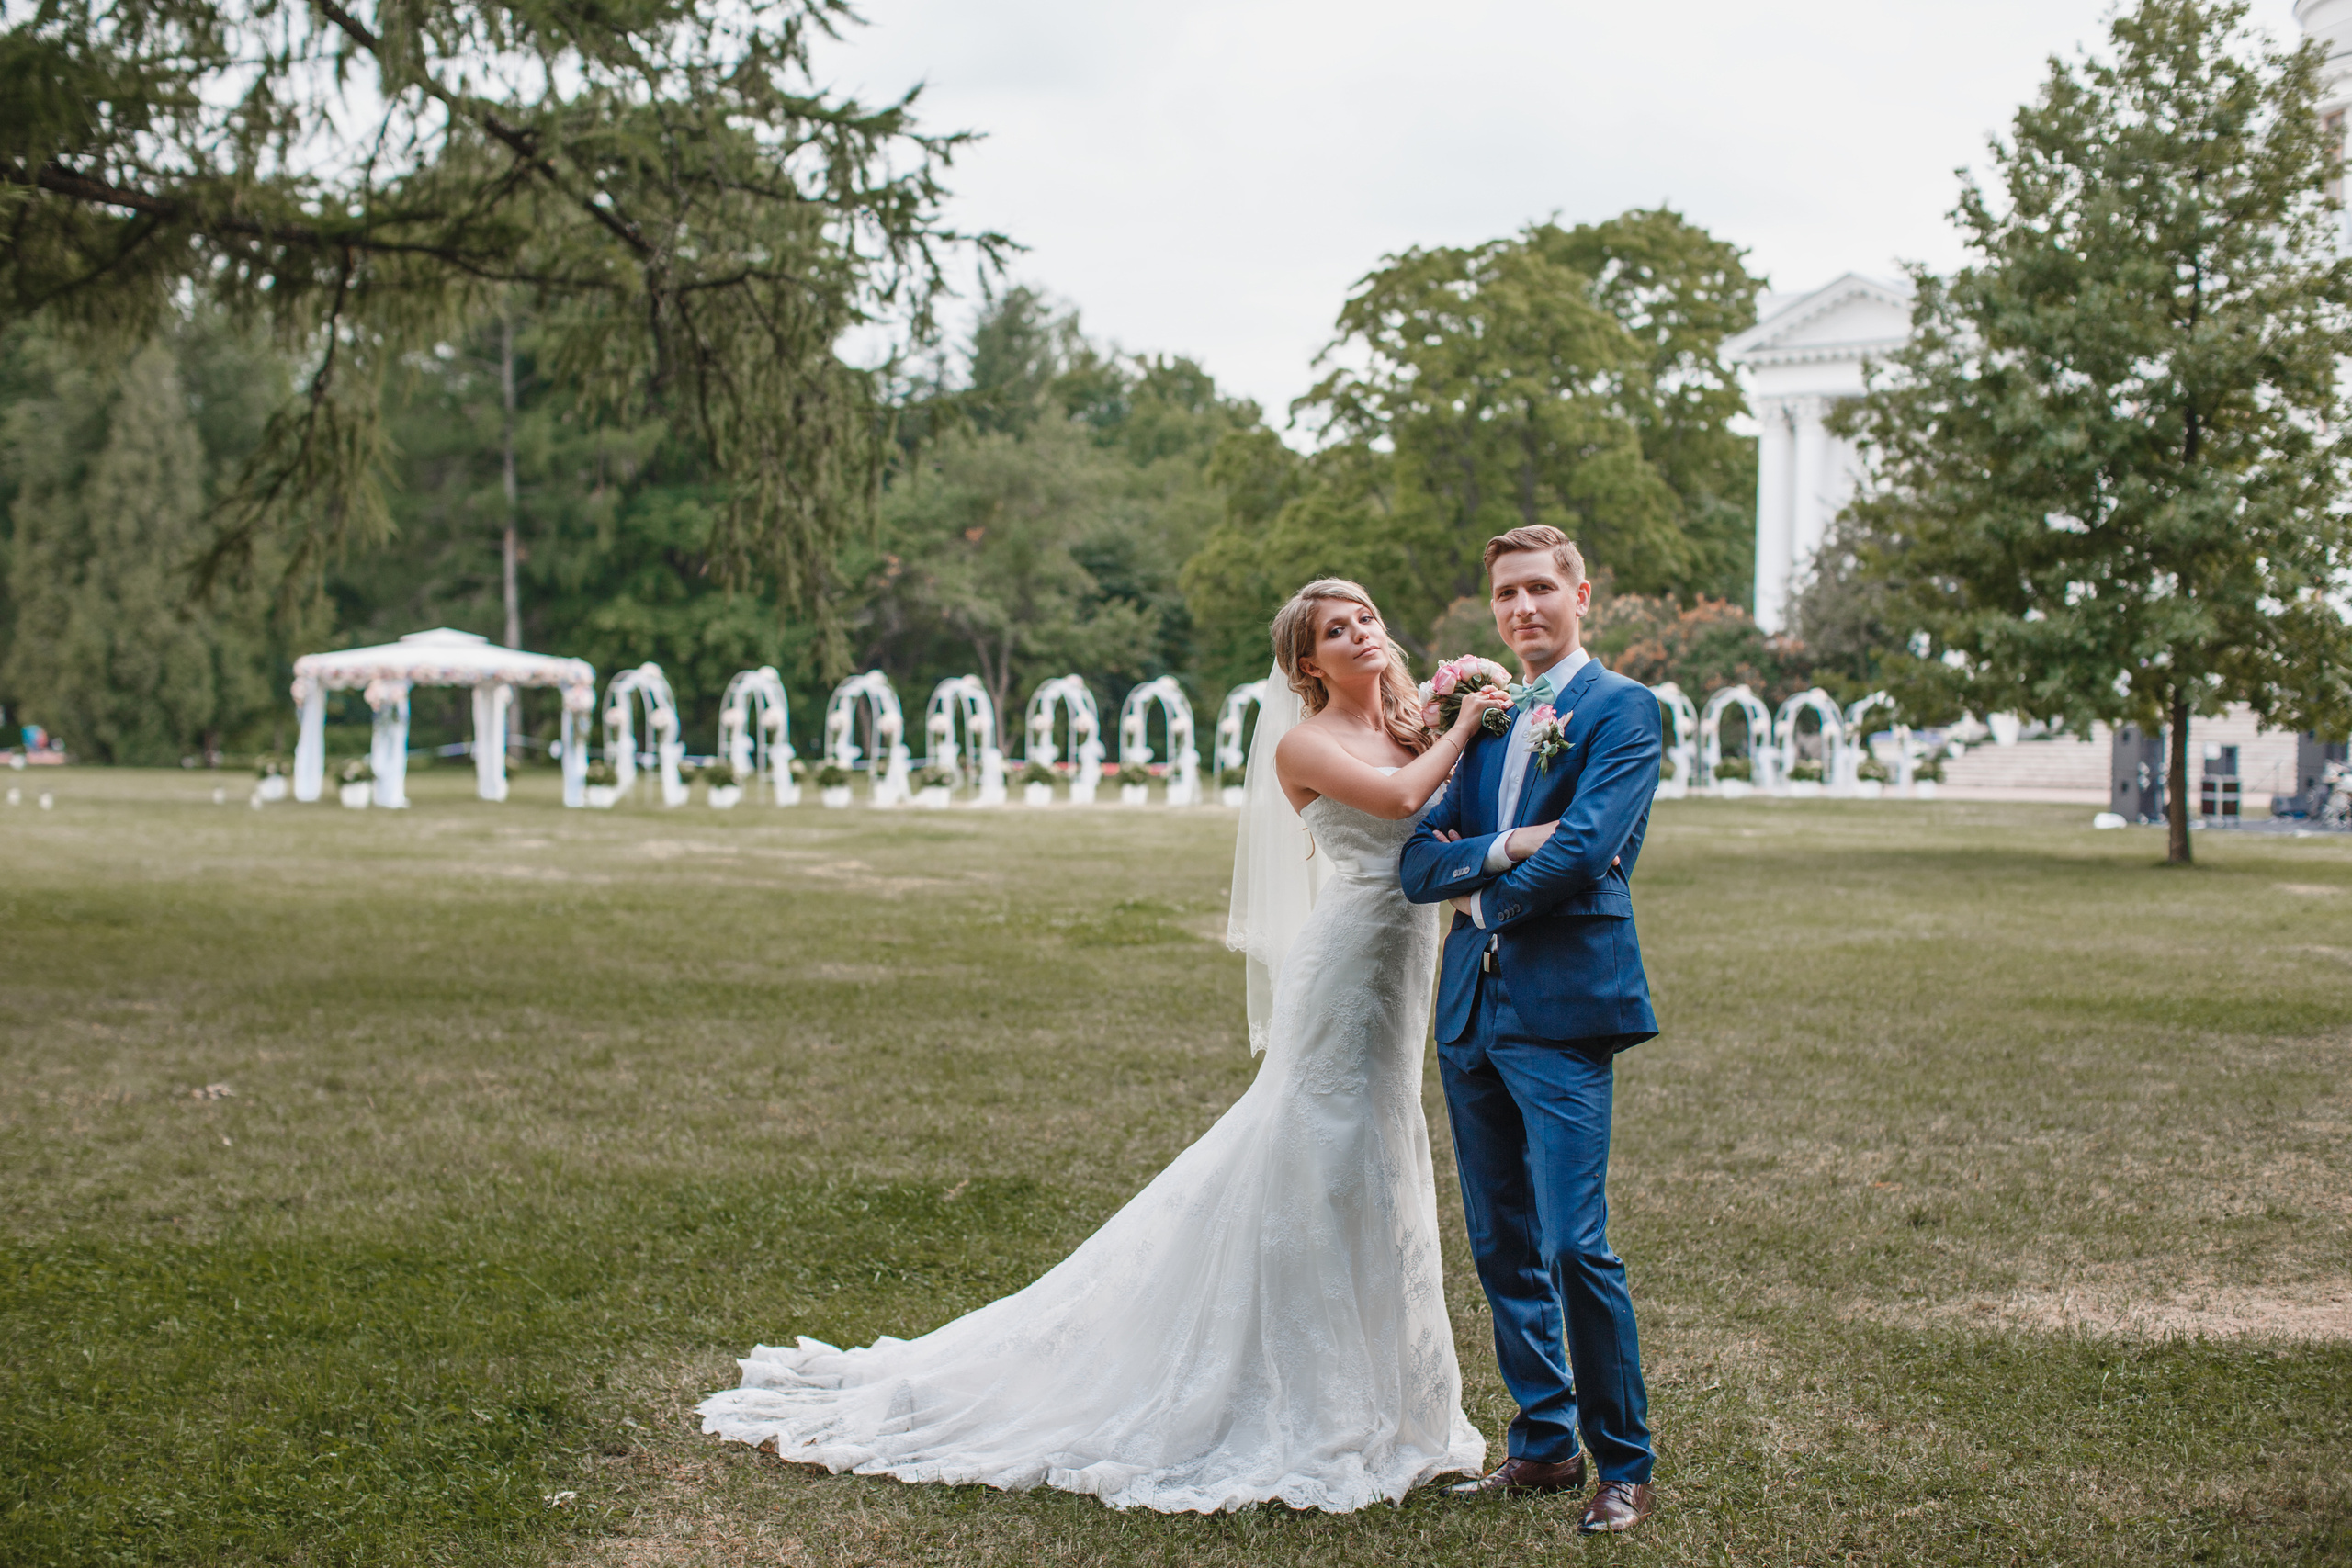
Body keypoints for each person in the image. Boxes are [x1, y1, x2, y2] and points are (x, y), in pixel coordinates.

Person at [697, 578, 1498, 1512]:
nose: (1359, 633)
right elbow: (1405, 796)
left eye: (1363, 618)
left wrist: (1460, 724)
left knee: (1375, 1152)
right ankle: (1299, 1398)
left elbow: (1438, 810)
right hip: (1345, 967)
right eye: (1333, 629)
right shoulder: (1308, 742)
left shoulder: (1409, 722)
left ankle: (1384, 1399)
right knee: (1316, 1149)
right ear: (1304, 663)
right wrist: (1470, 719)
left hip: (1404, 967)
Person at [1399, 525, 1664, 1534]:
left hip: (1562, 1009)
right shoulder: (1485, 717)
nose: (1523, 609)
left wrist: (1483, 894)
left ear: (1581, 593)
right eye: (1507, 594)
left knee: (1572, 1245)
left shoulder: (1620, 709)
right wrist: (1501, 852)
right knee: (1500, 1240)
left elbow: (1592, 849)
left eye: (1541, 589)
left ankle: (1623, 1463)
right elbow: (1417, 863)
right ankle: (1544, 1446)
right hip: (1469, 1010)